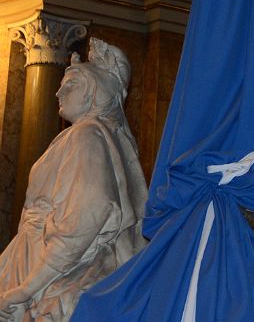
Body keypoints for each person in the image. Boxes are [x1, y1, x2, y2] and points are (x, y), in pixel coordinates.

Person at [0, 39, 147, 322]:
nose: (58, 91)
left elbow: (86, 217)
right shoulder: (84, 135)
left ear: (95, 92)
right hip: (32, 257)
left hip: (43, 267)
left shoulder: (86, 135)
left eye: (71, 84)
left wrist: (26, 288)